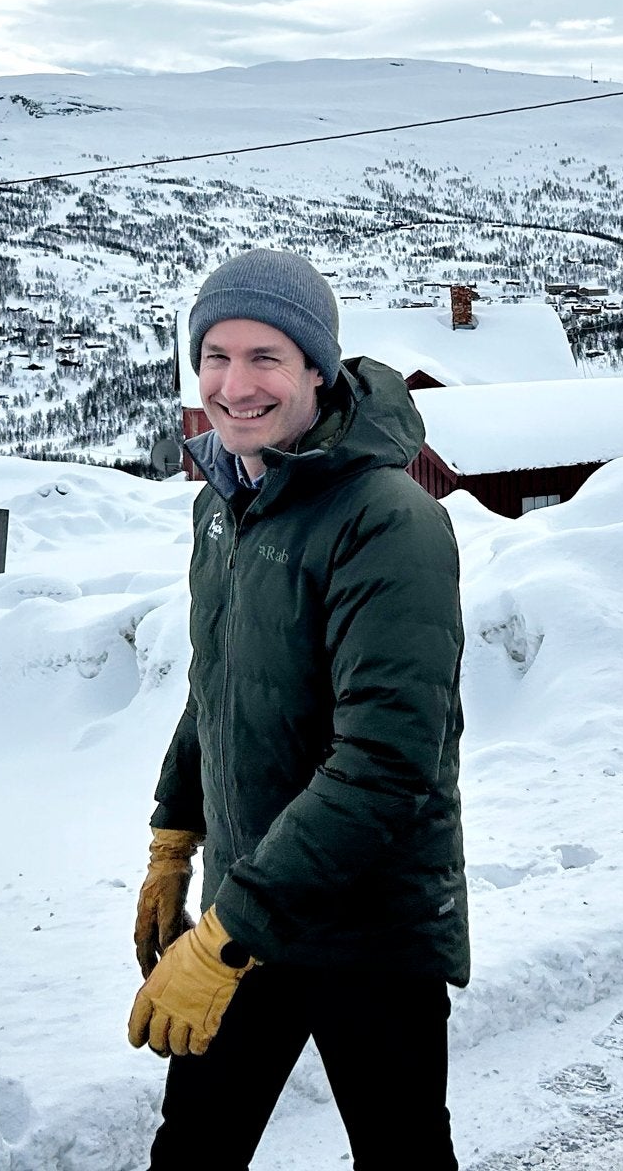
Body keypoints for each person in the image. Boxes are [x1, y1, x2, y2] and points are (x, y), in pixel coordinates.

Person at [126, 248, 467, 1170]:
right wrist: (174, 838)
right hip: (251, 903)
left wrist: (226, 936)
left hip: (369, 927)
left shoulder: (387, 518)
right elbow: (220, 685)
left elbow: (388, 759)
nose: (235, 385)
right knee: (193, 1148)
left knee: (400, 1155)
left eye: (265, 357)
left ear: (317, 367)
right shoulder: (228, 501)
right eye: (216, 357)